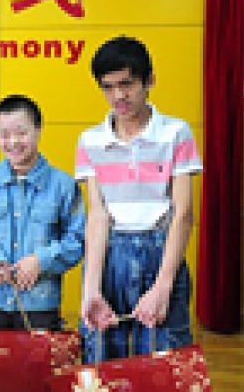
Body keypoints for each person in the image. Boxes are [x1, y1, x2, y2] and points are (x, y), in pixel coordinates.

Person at [75, 36, 203, 363]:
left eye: (127, 84)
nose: (118, 96)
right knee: (101, 356)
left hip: (161, 250)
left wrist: (163, 285)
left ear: (150, 80)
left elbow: (183, 213)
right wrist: (91, 288)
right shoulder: (90, 141)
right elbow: (98, 216)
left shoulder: (176, 133)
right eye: (108, 87)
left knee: (165, 357)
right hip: (110, 253)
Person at [0, 95, 85, 330]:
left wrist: (41, 260)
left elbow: (78, 240)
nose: (13, 142)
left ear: (39, 129)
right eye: (4, 135)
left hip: (41, 303)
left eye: (21, 133)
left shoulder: (64, 185)